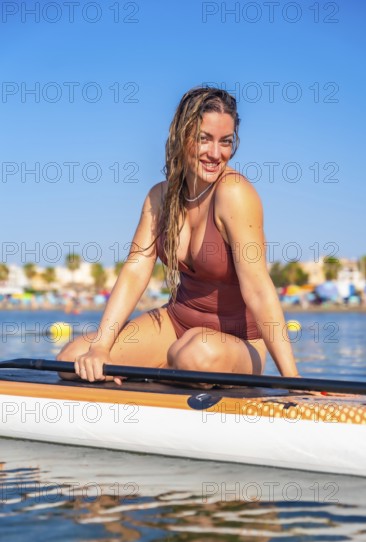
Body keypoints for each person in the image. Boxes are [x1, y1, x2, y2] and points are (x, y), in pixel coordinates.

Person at [58, 86, 299, 384]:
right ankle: (162, 370)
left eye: (225, 141)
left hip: (235, 343)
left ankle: (162, 370)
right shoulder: (160, 197)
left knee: (195, 353)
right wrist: (101, 349)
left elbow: (259, 290)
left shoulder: (235, 193)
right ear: (181, 136)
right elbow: (135, 272)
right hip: (176, 325)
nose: (215, 153)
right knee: (72, 359)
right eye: (204, 139)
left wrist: (293, 380)